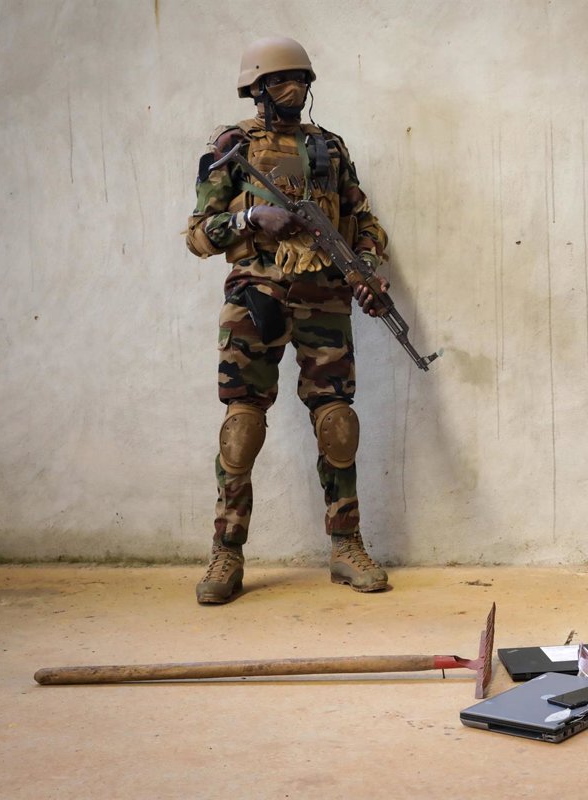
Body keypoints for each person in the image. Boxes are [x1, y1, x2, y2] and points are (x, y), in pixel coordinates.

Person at [185, 37, 392, 604]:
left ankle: (346, 546)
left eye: (300, 79)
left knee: (338, 422)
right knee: (242, 427)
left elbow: (364, 220)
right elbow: (198, 234)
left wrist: (367, 268)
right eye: (279, 80)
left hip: (325, 297)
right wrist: (252, 217)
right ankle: (226, 553)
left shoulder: (329, 147)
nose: (293, 89)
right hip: (255, 297)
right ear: (256, 89)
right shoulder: (231, 148)